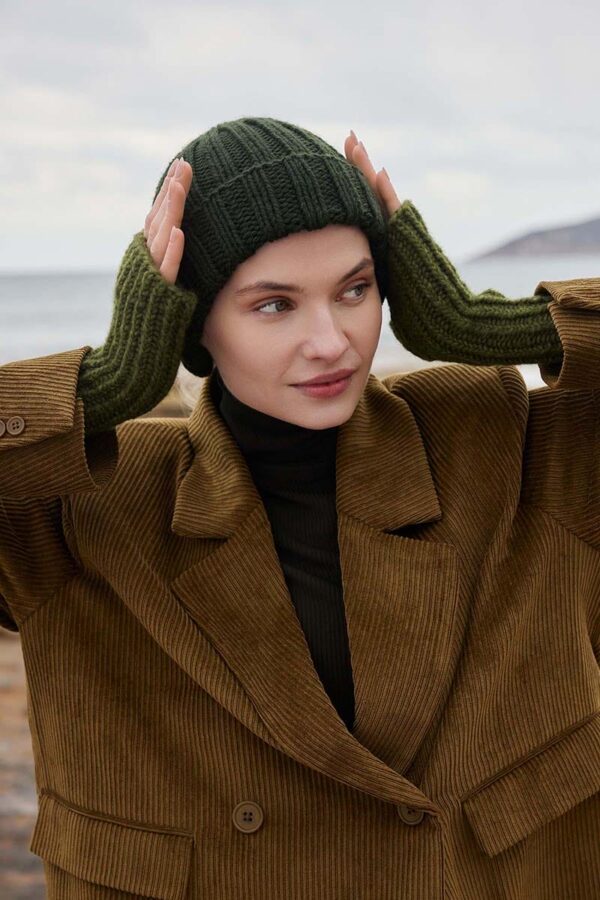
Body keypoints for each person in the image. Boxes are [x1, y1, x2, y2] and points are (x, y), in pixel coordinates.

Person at [0, 116, 598, 899]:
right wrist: (105, 385)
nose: (331, 341)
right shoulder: (88, 505)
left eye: (355, 290)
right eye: (274, 305)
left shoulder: (498, 440)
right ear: (194, 324)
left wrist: (489, 325)